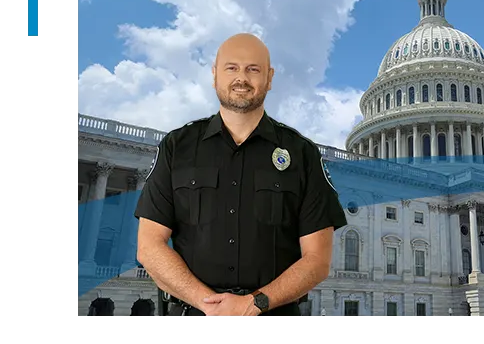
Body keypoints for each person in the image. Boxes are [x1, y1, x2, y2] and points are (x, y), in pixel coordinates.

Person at [134, 33, 348, 323]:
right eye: (232, 68)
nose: (241, 78)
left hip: (272, 315)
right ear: (215, 75)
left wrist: (254, 304)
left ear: (269, 78)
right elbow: (149, 247)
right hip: (192, 313)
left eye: (253, 69)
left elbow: (317, 260)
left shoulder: (303, 154)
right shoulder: (176, 147)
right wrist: (210, 305)